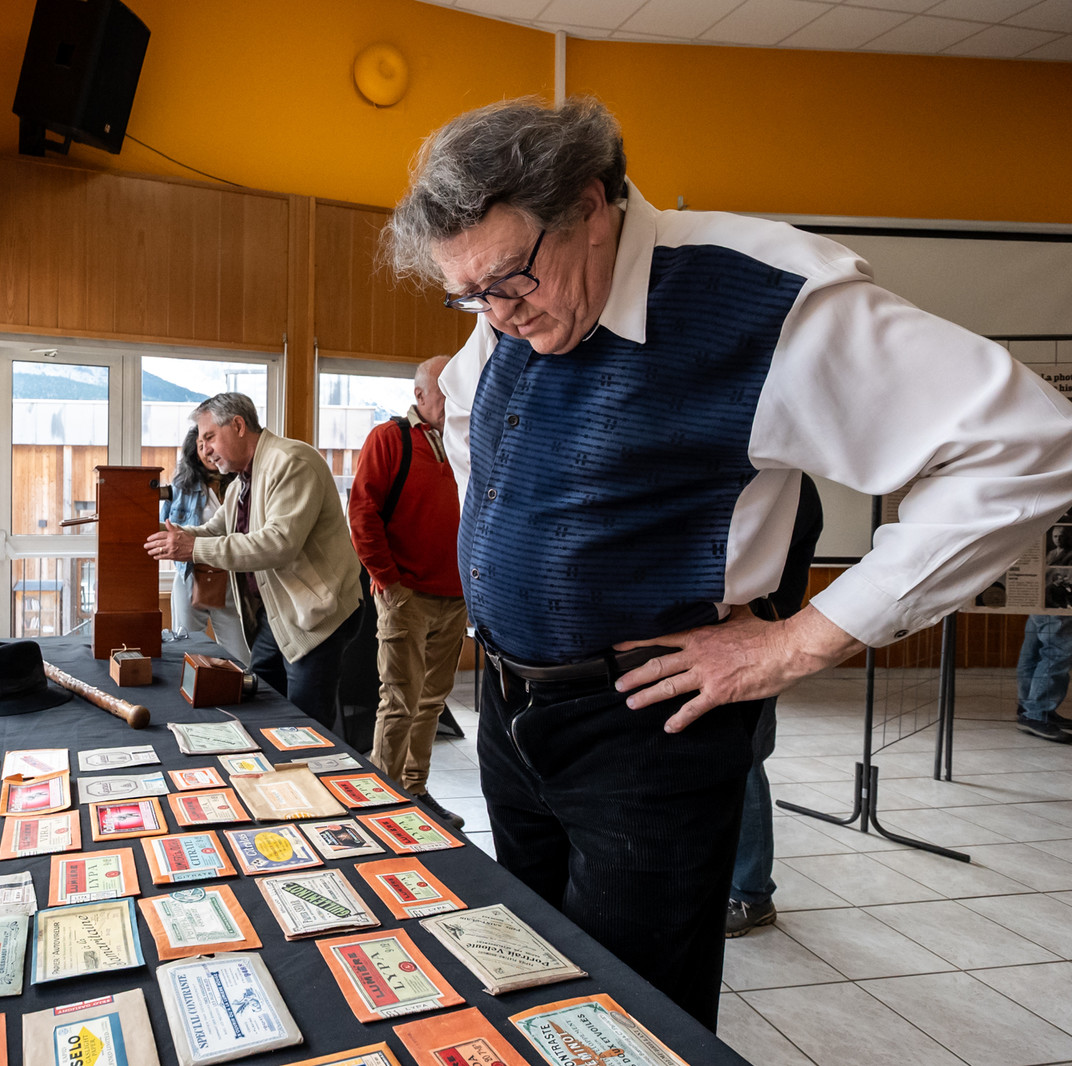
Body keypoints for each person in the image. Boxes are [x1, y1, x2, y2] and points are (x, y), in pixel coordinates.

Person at [382, 97, 1072, 1029]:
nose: (497, 317)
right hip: (511, 705)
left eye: (507, 283)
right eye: (470, 297)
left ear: (591, 204)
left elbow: (1028, 445)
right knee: (534, 980)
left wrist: (797, 643)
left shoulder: (764, 297)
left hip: (645, 720)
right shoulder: (519, 297)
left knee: (630, 1021)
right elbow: (467, 406)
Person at [145, 393, 362, 727]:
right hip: (278, 616)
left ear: (238, 425)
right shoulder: (240, 484)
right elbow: (213, 531)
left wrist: (192, 549)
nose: (205, 449)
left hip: (318, 617)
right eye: (201, 441)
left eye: (209, 437)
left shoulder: (291, 462)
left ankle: (308, 773)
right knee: (261, 704)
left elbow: (279, 544)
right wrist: (157, 530)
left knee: (305, 724)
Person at [348, 355, 467, 830]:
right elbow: (362, 515)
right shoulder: (389, 438)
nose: (456, 400)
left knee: (432, 702)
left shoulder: (466, 441)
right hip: (406, 596)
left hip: (456, 596)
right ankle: (382, 798)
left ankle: (415, 792)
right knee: (399, 700)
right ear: (420, 396)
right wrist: (389, 582)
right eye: (446, 390)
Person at [727, 476, 823, 937]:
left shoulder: (786, 483)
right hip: (729, 645)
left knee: (742, 766)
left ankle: (750, 895)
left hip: (751, 647)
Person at [160, 424, 251, 663]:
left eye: (209, 444)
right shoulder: (181, 486)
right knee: (186, 647)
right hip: (191, 573)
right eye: (200, 446)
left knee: (240, 651)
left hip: (231, 573)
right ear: (194, 452)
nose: (207, 451)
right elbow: (166, 525)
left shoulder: (240, 484)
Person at [1016, 614, 1072, 742]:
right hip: (1058, 599)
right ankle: (1036, 713)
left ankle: (1028, 710)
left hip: (1037, 598)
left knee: (1033, 653)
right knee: (1057, 654)